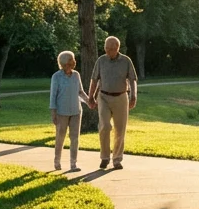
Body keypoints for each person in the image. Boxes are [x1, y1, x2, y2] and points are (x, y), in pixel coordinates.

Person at [88, 35, 138, 170]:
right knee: (104, 126)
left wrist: (133, 96)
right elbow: (94, 79)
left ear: (117, 48)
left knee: (120, 129)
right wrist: (90, 96)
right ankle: (105, 157)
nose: (108, 51)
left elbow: (133, 80)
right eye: (106, 48)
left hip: (121, 97)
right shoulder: (101, 60)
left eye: (111, 49)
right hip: (103, 96)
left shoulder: (126, 61)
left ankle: (117, 159)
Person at [50, 50, 91, 171]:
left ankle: (73, 164)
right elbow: (53, 96)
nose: (74, 62)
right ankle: (57, 161)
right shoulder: (56, 77)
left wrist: (89, 101)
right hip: (61, 112)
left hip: (76, 112)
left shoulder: (76, 75)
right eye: (71, 60)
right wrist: (53, 112)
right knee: (60, 138)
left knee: (75, 138)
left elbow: (80, 92)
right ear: (65, 63)